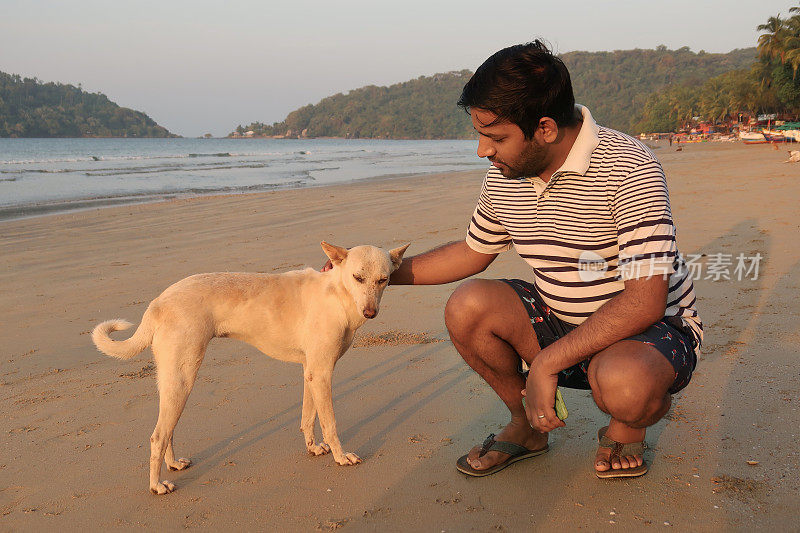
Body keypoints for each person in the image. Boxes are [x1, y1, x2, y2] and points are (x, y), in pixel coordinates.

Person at [329, 40, 702, 478]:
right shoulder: (506, 175)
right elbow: (471, 253)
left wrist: (546, 362)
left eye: (496, 137)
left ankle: (624, 429)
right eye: (481, 134)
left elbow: (645, 302)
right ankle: (526, 427)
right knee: (467, 306)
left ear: (545, 128)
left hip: (645, 332)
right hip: (558, 315)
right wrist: (371, 275)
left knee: (626, 384)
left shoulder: (630, 167)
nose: (483, 150)